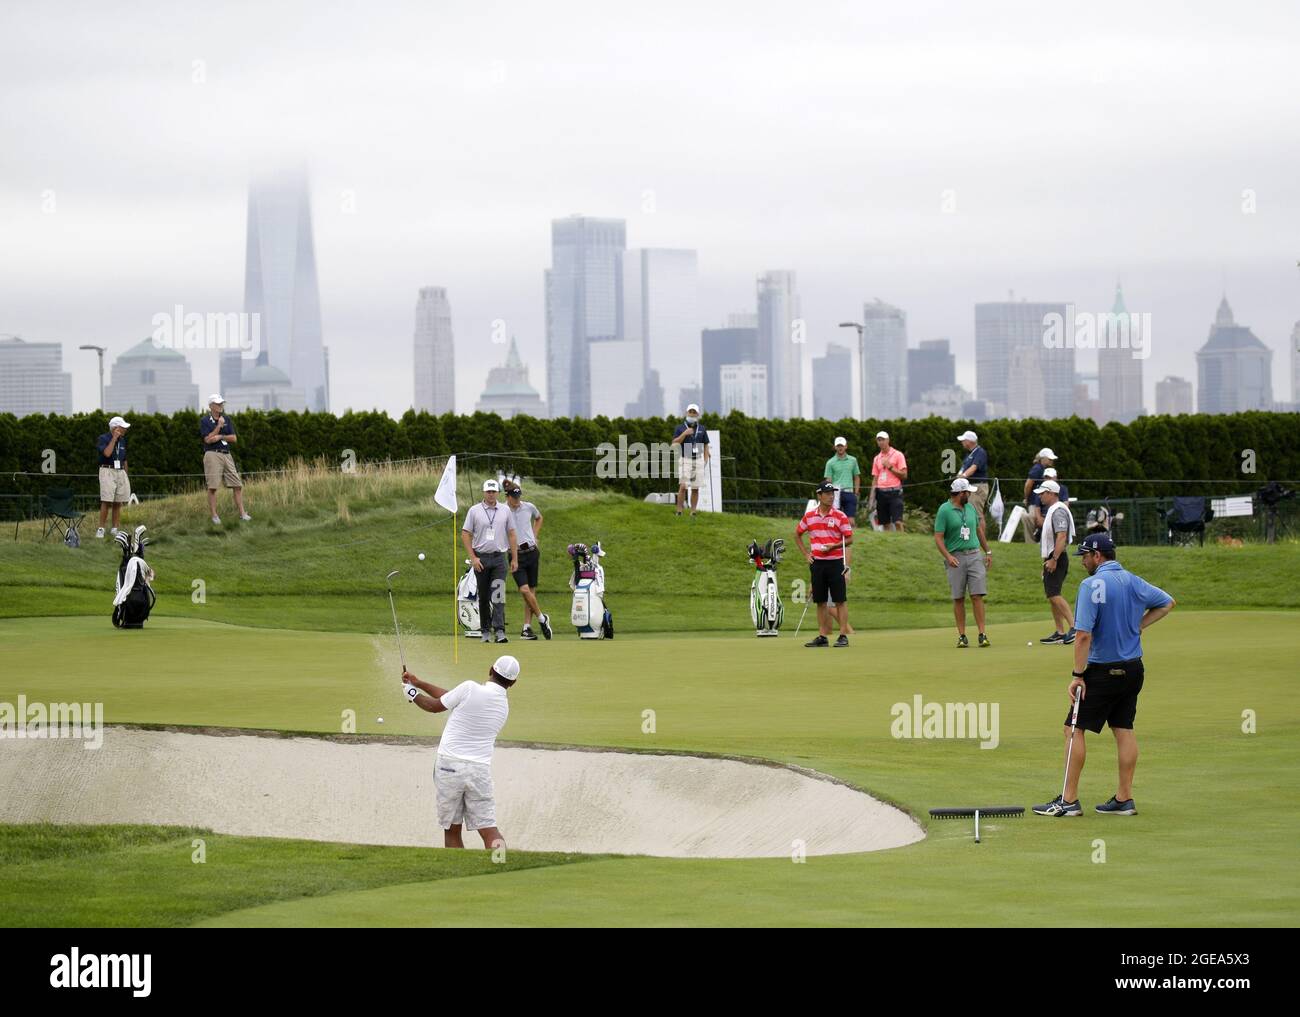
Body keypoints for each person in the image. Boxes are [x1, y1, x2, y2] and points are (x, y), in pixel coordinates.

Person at [1034, 534, 1175, 818]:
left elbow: (1083, 635)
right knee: (1123, 729)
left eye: (1085, 555)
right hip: (1133, 668)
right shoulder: (1133, 580)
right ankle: (1124, 799)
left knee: (1073, 729)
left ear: (1098, 556)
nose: (1083, 560)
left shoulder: (1091, 584)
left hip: (1101, 671)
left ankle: (1069, 800)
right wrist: (1138, 626)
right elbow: (1167, 602)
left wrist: (1077, 675)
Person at [402, 655, 520, 850]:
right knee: (489, 829)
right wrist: (419, 683)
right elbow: (451, 698)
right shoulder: (503, 707)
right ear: (513, 683)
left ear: (490, 669)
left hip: (449, 767)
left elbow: (434, 706)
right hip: (479, 771)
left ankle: (456, 876)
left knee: (452, 829)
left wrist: (412, 693)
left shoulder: (469, 688)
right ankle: (501, 870)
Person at [793, 481, 853, 648]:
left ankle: (842, 635)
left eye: (832, 493)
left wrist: (833, 546)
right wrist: (806, 554)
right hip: (817, 563)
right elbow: (797, 534)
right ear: (819, 496)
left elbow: (849, 538)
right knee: (820, 601)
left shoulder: (840, 516)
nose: (831, 496)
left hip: (835, 562)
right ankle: (822, 636)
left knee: (840, 600)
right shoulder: (810, 516)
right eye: (827, 493)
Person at [933, 478, 992, 648]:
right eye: (968, 492)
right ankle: (962, 635)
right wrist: (947, 556)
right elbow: (938, 537)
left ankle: (982, 634)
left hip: (974, 555)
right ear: (960, 494)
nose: (970, 494)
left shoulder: (970, 507)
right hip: (955, 558)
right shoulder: (944, 510)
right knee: (958, 597)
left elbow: (978, 530)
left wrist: (987, 550)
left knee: (977, 595)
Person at [461, 479, 519, 644]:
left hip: (499, 558)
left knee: (498, 595)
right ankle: (485, 630)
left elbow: (512, 534)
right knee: (484, 596)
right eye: (488, 491)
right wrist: (473, 558)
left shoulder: (505, 510)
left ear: (498, 493)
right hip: (481, 558)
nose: (491, 494)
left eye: (494, 491)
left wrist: (514, 558)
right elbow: (465, 534)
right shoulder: (474, 511)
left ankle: (499, 630)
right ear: (484, 492)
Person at [503, 482, 551, 640]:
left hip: (532, 552)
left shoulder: (528, 506)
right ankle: (542, 619)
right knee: (524, 590)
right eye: (514, 497)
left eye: (518, 496)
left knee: (531, 592)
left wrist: (534, 535)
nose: (517, 500)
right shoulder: (502, 510)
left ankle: (526, 628)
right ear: (507, 496)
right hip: (515, 555)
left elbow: (539, 518)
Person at [1036, 480, 1077, 645]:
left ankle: (1074, 628)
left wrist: (1054, 559)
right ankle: (1060, 632)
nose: (1040, 496)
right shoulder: (1052, 510)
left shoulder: (1058, 511)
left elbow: (1061, 536)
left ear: (1052, 493)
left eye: (1043, 493)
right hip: (1052, 558)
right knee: (1051, 594)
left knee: (1054, 594)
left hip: (1057, 558)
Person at [200, 395, 251, 525]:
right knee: (212, 487)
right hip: (212, 454)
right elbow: (207, 439)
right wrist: (219, 426)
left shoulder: (227, 419)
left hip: (226, 454)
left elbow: (234, 438)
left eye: (221, 403)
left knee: (237, 485)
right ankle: (214, 516)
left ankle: (242, 514)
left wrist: (220, 436)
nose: (221, 405)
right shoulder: (205, 421)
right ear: (211, 406)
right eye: (218, 404)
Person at [95, 415, 132, 539]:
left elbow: (124, 459)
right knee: (107, 500)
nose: (125, 430)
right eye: (123, 427)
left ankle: (115, 529)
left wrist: (125, 474)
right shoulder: (103, 438)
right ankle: (101, 529)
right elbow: (107, 453)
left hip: (120, 471)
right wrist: (114, 438)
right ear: (116, 428)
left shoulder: (123, 440)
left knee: (118, 501)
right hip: (107, 470)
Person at [672, 403, 711, 518]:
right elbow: (674, 443)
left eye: (694, 412)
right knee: (683, 486)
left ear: (698, 414)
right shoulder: (680, 428)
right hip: (685, 458)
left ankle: (693, 512)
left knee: (695, 487)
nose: (692, 414)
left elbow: (706, 445)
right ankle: (679, 511)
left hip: (698, 459)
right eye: (690, 412)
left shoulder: (702, 429)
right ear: (686, 413)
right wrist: (684, 434)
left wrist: (704, 460)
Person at [867, 431, 907, 532]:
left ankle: (902, 542)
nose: (881, 442)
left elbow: (904, 475)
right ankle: (890, 543)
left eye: (883, 440)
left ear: (888, 440)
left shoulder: (898, 455)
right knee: (885, 523)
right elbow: (875, 479)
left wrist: (890, 467)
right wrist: (871, 497)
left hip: (895, 492)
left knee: (897, 522)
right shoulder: (876, 458)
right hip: (881, 493)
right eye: (879, 440)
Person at [1022, 447, 1058, 541]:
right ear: (1043, 459)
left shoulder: (1046, 469)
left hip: (1041, 502)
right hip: (1034, 501)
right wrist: (1026, 498)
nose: (1051, 461)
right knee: (1032, 518)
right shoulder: (1037, 468)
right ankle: (1031, 541)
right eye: (1049, 459)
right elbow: (1028, 485)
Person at [823, 437, 862, 521]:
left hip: (849, 493)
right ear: (835, 447)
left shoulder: (853, 460)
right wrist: (828, 494)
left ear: (846, 446)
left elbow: (856, 477)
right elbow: (828, 480)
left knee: (851, 521)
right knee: (836, 521)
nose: (840, 448)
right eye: (838, 446)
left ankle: (850, 534)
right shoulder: (830, 462)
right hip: (835, 494)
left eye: (842, 446)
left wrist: (856, 492)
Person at [956, 430, 990, 521]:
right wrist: (958, 477)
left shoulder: (980, 452)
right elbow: (964, 468)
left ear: (970, 441)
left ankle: (982, 536)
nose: (962, 442)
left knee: (977, 515)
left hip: (978, 487)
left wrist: (963, 476)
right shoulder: (970, 454)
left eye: (964, 440)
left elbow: (974, 467)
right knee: (969, 514)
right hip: (970, 487)